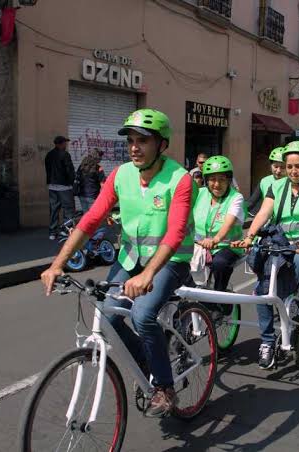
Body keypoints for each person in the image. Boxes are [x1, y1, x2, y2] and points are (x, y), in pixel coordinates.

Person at [41, 109, 195, 418]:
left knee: (142, 314)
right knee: (109, 316)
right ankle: (150, 367)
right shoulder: (121, 174)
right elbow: (91, 218)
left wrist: (148, 274)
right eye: (131, 141)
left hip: (170, 261)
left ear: (162, 145)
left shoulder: (179, 178)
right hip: (131, 258)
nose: (135, 147)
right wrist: (58, 264)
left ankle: (164, 387)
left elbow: (176, 232)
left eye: (144, 141)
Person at [234, 140, 299, 369]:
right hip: (281, 243)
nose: (293, 171)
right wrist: (250, 236)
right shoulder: (276, 186)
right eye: (289, 167)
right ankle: (267, 342)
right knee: (263, 291)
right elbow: (264, 212)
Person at [193, 155, 246, 293]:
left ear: (229, 180)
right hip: (199, 245)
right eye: (212, 179)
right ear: (206, 180)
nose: (217, 184)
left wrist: (215, 239)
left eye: (222, 180)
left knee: (220, 264)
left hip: (227, 246)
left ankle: (220, 298)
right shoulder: (199, 193)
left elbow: (229, 221)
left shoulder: (236, 198)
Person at [45, 135, 76, 239]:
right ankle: (66, 230)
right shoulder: (65, 155)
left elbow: (47, 169)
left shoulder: (49, 155)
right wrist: (72, 182)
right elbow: (69, 170)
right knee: (68, 209)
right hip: (64, 186)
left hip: (52, 186)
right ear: (60, 144)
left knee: (54, 209)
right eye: (64, 143)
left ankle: (52, 232)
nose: (66, 145)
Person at [246, 147, 285, 215]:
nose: (278, 171)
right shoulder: (264, 181)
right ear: (270, 166)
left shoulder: (292, 182)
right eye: (275, 166)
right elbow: (251, 202)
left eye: (282, 167)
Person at [76, 148, 106, 212]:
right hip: (93, 196)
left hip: (82, 195)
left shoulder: (82, 166)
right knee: (94, 216)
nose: (101, 158)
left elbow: (77, 177)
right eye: (100, 156)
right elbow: (103, 185)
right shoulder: (98, 168)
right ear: (97, 156)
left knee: (86, 215)